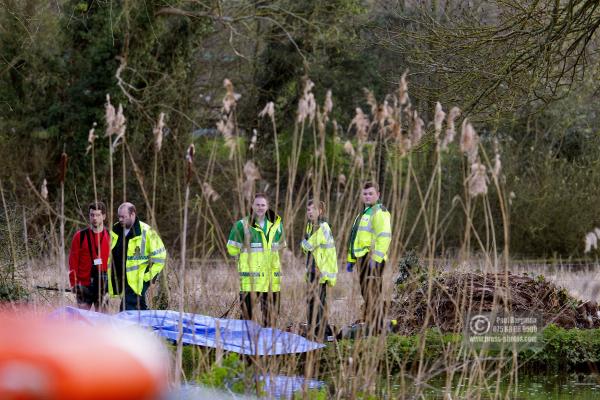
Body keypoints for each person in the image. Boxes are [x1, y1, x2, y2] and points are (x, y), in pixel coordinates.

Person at [226, 193, 285, 326]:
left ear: (267, 206)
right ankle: (246, 344)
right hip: (251, 280)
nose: (260, 207)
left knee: (271, 318)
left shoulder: (277, 225)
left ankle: (269, 344)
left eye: (263, 205)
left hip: (271, 280)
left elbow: (282, 247)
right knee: (247, 319)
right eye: (257, 204)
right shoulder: (242, 225)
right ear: (252, 206)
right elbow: (232, 249)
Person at [346, 181, 392, 334]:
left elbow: (384, 237)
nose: (367, 196)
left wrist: (376, 259)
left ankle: (378, 327)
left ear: (378, 195)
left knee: (373, 293)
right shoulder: (363, 214)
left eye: (370, 193)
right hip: (362, 259)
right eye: (365, 194)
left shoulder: (380, 212)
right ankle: (372, 323)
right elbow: (355, 238)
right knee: (366, 293)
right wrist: (351, 260)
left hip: (373, 259)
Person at [108, 202, 167, 311]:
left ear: (133, 214)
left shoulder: (147, 231)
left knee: (127, 309)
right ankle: (151, 326)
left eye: (123, 217)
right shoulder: (115, 230)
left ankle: (128, 327)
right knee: (139, 308)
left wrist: (147, 277)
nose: (120, 219)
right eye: (119, 216)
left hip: (138, 279)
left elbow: (160, 257)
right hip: (120, 278)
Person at [301, 199, 337, 342]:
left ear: (320, 211)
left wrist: (304, 243)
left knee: (317, 302)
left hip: (319, 271)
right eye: (308, 209)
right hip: (312, 270)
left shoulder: (323, 227)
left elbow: (307, 246)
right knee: (312, 301)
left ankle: (320, 333)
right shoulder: (311, 227)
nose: (310, 212)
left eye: (313, 209)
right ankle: (317, 331)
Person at [68, 201, 111, 311]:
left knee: (102, 322)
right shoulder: (80, 236)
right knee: (82, 322)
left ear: (104, 216)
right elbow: (72, 262)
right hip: (83, 286)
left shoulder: (111, 237)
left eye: (98, 215)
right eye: (92, 215)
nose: (94, 218)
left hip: (103, 286)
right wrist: (74, 283)